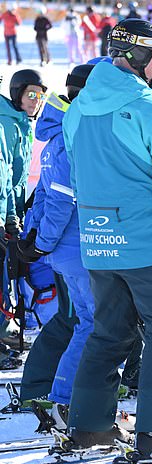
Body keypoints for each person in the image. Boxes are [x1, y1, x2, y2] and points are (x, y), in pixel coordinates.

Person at [62, 19, 152, 458]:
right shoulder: (148, 107)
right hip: (145, 243)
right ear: (141, 57)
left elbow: (79, 169)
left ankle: (89, 428)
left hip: (97, 243)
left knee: (109, 332)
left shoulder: (78, 108)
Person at [16, 63, 99, 426]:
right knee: (95, 324)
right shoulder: (68, 136)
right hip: (76, 247)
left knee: (88, 322)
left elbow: (44, 197)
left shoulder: (61, 133)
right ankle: (65, 398)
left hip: (67, 248)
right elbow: (60, 200)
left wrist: (36, 241)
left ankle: (65, 394)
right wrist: (40, 244)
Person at [0, 69, 47, 344]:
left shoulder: (20, 123)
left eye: (40, 95)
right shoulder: (6, 123)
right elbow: (3, 173)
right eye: (31, 94)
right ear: (17, 93)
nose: (35, 100)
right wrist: (7, 216)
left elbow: (17, 178)